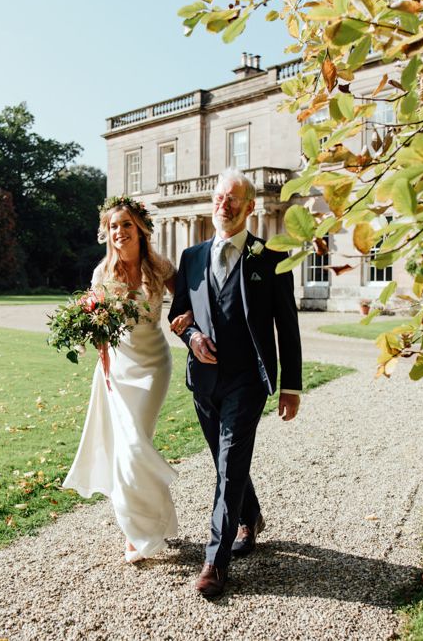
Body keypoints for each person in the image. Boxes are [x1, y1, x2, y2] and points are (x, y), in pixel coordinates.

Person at [169, 168, 302, 597]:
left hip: (248, 381)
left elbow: (288, 326)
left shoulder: (271, 256)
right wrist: (191, 337)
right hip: (203, 381)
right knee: (225, 463)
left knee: (228, 467)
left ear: (249, 207)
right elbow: (177, 316)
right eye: (218, 198)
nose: (222, 205)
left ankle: (215, 562)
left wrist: (291, 386)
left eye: (232, 199)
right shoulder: (191, 258)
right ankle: (252, 516)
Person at [63, 196, 192, 564]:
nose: (119, 232)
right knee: (127, 450)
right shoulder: (102, 274)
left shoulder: (160, 266)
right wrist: (94, 340)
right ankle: (138, 531)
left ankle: (148, 524)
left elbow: (186, 299)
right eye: (113, 226)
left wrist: (186, 318)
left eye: (126, 225)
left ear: (140, 228)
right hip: (117, 367)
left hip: (154, 365)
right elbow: (96, 322)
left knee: (137, 446)